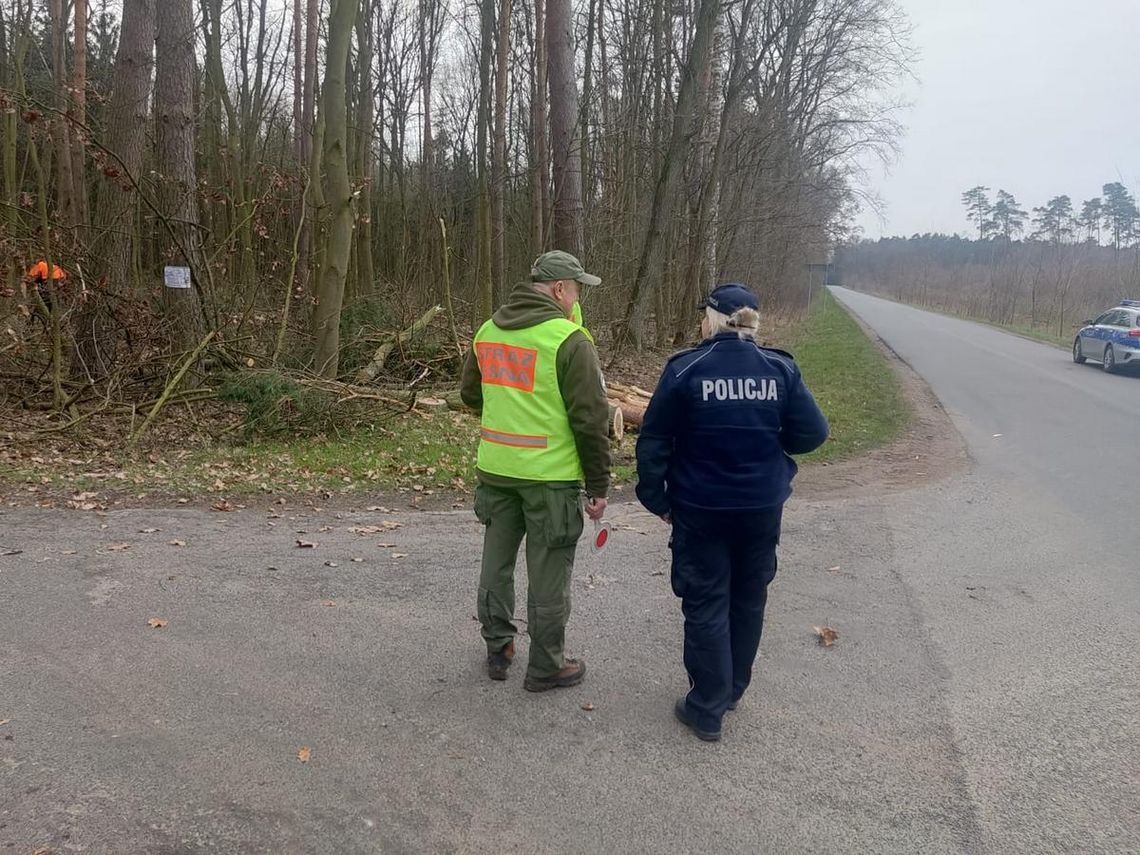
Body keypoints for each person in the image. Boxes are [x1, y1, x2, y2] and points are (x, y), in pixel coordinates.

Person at [635, 282, 829, 741]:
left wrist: (656, 498)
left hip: (700, 507)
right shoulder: (780, 368)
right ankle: (732, 689)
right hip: (761, 507)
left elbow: (654, 440)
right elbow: (813, 433)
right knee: (748, 596)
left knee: (706, 599)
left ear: (713, 317)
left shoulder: (686, 369)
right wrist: (773, 446)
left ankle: (707, 707)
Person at [460, 250, 612, 692]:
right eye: (577, 288)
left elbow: (471, 394)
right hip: (550, 479)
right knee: (547, 577)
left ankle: (498, 648)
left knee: (496, 565)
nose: (577, 297)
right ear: (560, 289)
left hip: (496, 471)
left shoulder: (488, 331)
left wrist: (510, 417)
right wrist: (599, 484)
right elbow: (590, 420)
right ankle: (546, 665)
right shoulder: (568, 340)